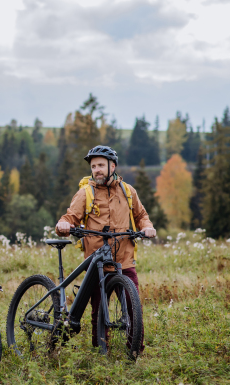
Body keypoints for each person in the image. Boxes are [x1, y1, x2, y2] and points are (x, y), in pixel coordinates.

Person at [55, 145, 156, 351]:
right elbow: (69, 217)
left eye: (101, 165)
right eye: (93, 166)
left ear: (113, 166)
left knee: (132, 304)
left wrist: (147, 227)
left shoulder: (128, 191)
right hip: (97, 262)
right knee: (98, 309)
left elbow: (141, 215)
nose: (97, 170)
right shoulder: (86, 193)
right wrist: (63, 225)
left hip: (124, 260)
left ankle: (134, 349)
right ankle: (101, 350)